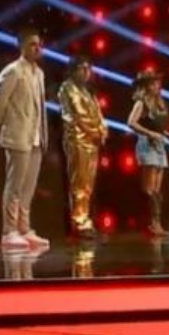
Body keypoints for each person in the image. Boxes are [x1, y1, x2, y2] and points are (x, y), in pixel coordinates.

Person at [0, 27, 51, 251]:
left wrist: (43, 134)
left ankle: (24, 228)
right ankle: (9, 231)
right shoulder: (13, 71)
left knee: (28, 187)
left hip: (35, 137)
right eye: (32, 44)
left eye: (39, 45)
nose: (37, 49)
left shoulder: (39, 74)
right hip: (18, 135)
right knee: (14, 186)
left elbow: (40, 107)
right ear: (22, 46)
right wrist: (1, 128)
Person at [58, 56, 106, 238]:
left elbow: (98, 113)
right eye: (82, 68)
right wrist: (93, 131)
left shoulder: (88, 91)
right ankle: (79, 221)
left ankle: (85, 218)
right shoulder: (67, 88)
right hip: (78, 139)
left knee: (88, 183)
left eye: (88, 69)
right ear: (73, 70)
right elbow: (77, 116)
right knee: (79, 181)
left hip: (92, 141)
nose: (86, 73)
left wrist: (102, 129)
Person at [128, 70, 169, 236]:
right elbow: (131, 122)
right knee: (149, 188)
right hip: (148, 144)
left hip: (159, 144)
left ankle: (156, 223)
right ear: (147, 86)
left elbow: (157, 125)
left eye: (158, 83)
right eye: (153, 83)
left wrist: (166, 134)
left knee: (157, 189)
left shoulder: (159, 103)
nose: (157, 86)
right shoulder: (141, 103)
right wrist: (150, 133)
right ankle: (149, 224)